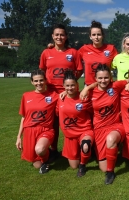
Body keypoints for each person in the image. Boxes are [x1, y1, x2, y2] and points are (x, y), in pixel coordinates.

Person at [39, 24, 83, 159]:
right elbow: (42, 70)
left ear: (66, 36)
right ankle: (53, 149)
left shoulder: (73, 53)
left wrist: (69, 85)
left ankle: (79, 147)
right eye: (56, 34)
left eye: (62, 34)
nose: (59, 37)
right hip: (51, 93)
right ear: (52, 36)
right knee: (52, 122)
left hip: (69, 93)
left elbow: (80, 70)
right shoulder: (46, 53)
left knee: (73, 120)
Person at [80, 63, 128, 184]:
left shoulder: (115, 86)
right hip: (99, 129)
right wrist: (87, 88)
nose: (103, 80)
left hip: (116, 126)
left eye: (106, 77)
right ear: (95, 79)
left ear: (110, 77)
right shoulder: (90, 93)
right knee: (103, 167)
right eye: (100, 78)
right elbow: (75, 97)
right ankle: (112, 154)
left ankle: (111, 172)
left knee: (111, 139)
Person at [16, 70, 58, 174]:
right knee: (36, 165)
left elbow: (67, 94)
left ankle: (45, 155)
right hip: (29, 131)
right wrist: (18, 137)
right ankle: (46, 153)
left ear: (45, 81)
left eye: (41, 80)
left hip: (46, 130)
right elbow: (24, 117)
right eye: (36, 81)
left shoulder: (53, 95)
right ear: (32, 82)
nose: (39, 83)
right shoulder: (26, 96)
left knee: (39, 150)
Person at [56, 70, 94, 177]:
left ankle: (83, 165)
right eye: (67, 86)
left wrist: (87, 88)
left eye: (72, 85)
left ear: (77, 85)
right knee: (73, 166)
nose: (70, 88)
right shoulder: (60, 99)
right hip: (70, 136)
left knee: (85, 147)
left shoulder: (84, 97)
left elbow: (101, 84)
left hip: (84, 131)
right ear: (63, 86)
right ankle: (86, 154)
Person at [78, 20, 118, 86]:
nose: (96, 37)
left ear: (103, 35)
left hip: (106, 86)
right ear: (90, 36)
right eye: (94, 35)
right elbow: (72, 56)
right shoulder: (84, 49)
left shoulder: (111, 49)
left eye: (99, 34)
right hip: (89, 87)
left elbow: (123, 58)